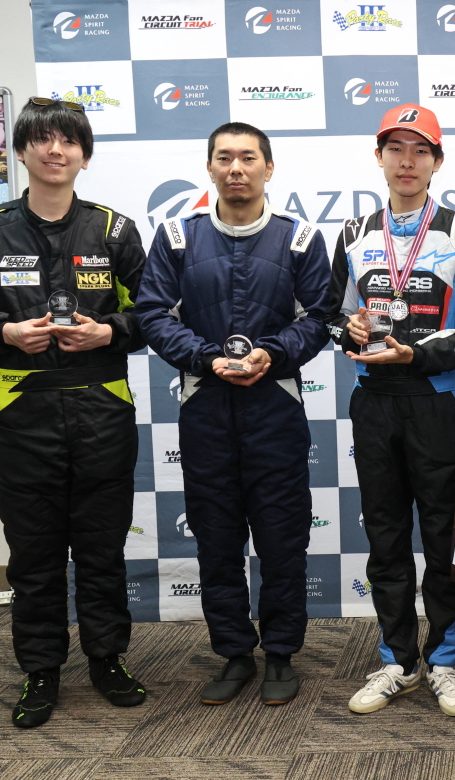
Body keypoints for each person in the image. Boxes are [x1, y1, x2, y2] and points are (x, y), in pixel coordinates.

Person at [0, 96, 147, 728]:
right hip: (22, 415)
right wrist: (3, 333)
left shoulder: (115, 231)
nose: (56, 150)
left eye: (69, 140)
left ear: (85, 155)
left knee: (102, 549)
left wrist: (109, 332)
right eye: (43, 139)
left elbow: (156, 315)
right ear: (21, 151)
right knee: (34, 555)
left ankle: (107, 660)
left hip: (103, 411)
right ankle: (41, 670)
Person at [136, 122, 331, 707]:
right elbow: (152, 313)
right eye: (224, 158)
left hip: (276, 408)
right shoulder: (177, 238)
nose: (236, 169)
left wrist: (274, 353)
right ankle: (233, 654)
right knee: (217, 539)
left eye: (248, 158)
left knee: (282, 538)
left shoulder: (299, 239)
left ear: (269, 168)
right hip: (206, 408)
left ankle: (281, 654)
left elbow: (320, 317)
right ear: (210, 168)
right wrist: (204, 357)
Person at [327, 104, 455, 717]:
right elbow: (334, 317)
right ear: (380, 157)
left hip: (435, 401)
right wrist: (349, 329)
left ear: (437, 161)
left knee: (444, 539)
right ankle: (398, 660)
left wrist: (417, 354)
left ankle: (444, 662)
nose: (407, 161)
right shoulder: (353, 234)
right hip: (373, 404)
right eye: (396, 148)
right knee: (385, 538)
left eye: (420, 150)